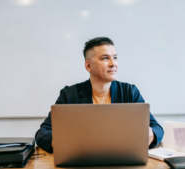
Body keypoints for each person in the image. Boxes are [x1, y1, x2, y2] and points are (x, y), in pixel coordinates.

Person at [35, 37, 164, 153]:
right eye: (105, 58)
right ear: (88, 66)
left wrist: (151, 133)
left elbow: (156, 128)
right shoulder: (69, 94)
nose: (113, 63)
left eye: (115, 57)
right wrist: (61, 143)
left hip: (122, 158)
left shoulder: (129, 92)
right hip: (81, 159)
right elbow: (43, 132)